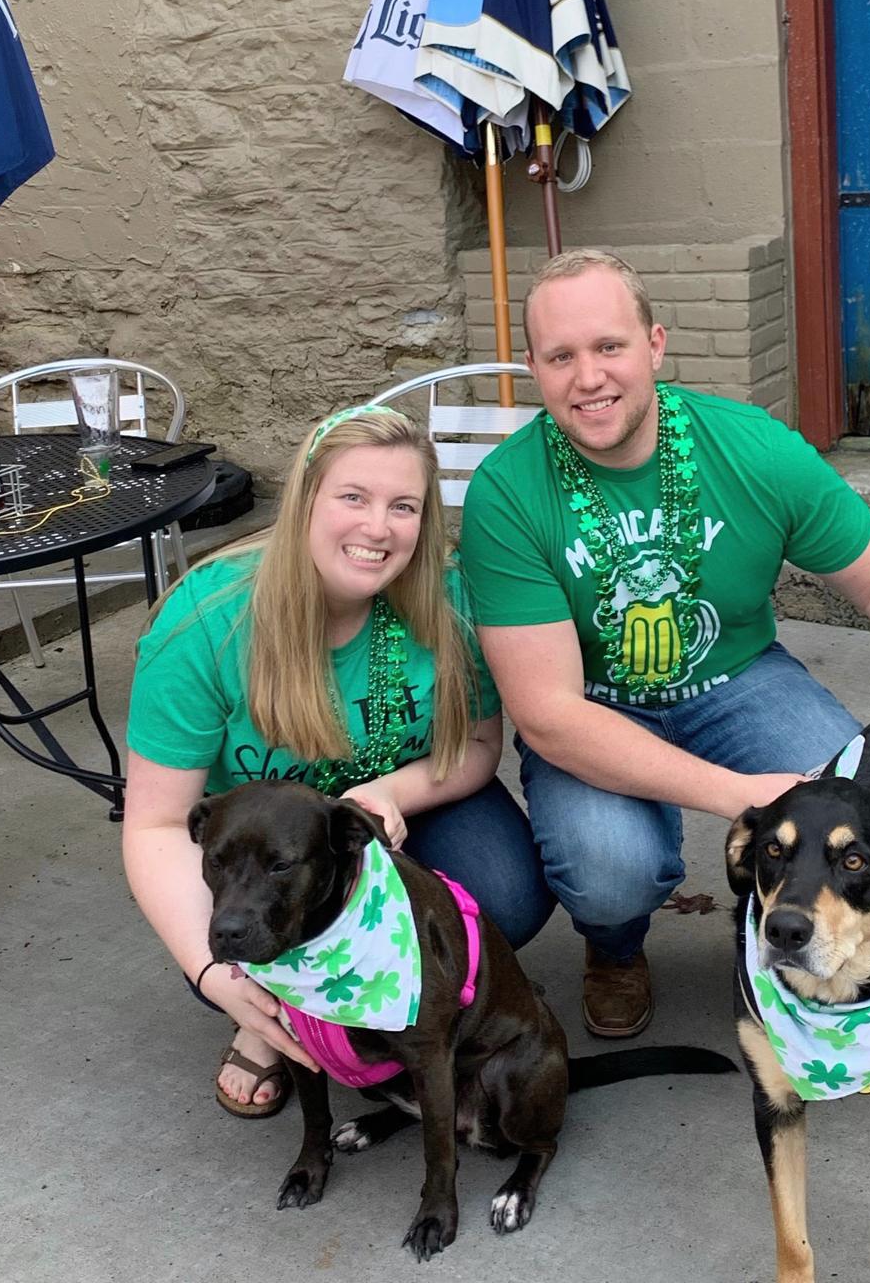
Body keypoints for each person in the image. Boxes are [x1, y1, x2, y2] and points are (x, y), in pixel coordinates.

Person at [459, 248, 870, 1042]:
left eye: (610, 347)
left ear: (656, 345)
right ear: (533, 367)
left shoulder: (749, 448)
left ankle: (829, 947)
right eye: (561, 356)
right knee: (609, 870)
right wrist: (739, 796)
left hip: (735, 679)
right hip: (594, 708)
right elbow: (549, 716)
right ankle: (614, 948)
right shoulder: (506, 490)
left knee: (853, 802)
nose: (589, 377)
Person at [122, 404, 553, 1117]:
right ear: (305, 500)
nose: (378, 528)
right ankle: (272, 1015)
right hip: (268, 857)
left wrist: (387, 793)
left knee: (507, 893)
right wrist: (208, 971)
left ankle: (415, 1005)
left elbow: (476, 748)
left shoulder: (448, 599)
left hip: (396, 815)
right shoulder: (207, 618)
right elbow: (155, 824)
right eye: (353, 497)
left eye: (403, 506)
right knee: (236, 940)